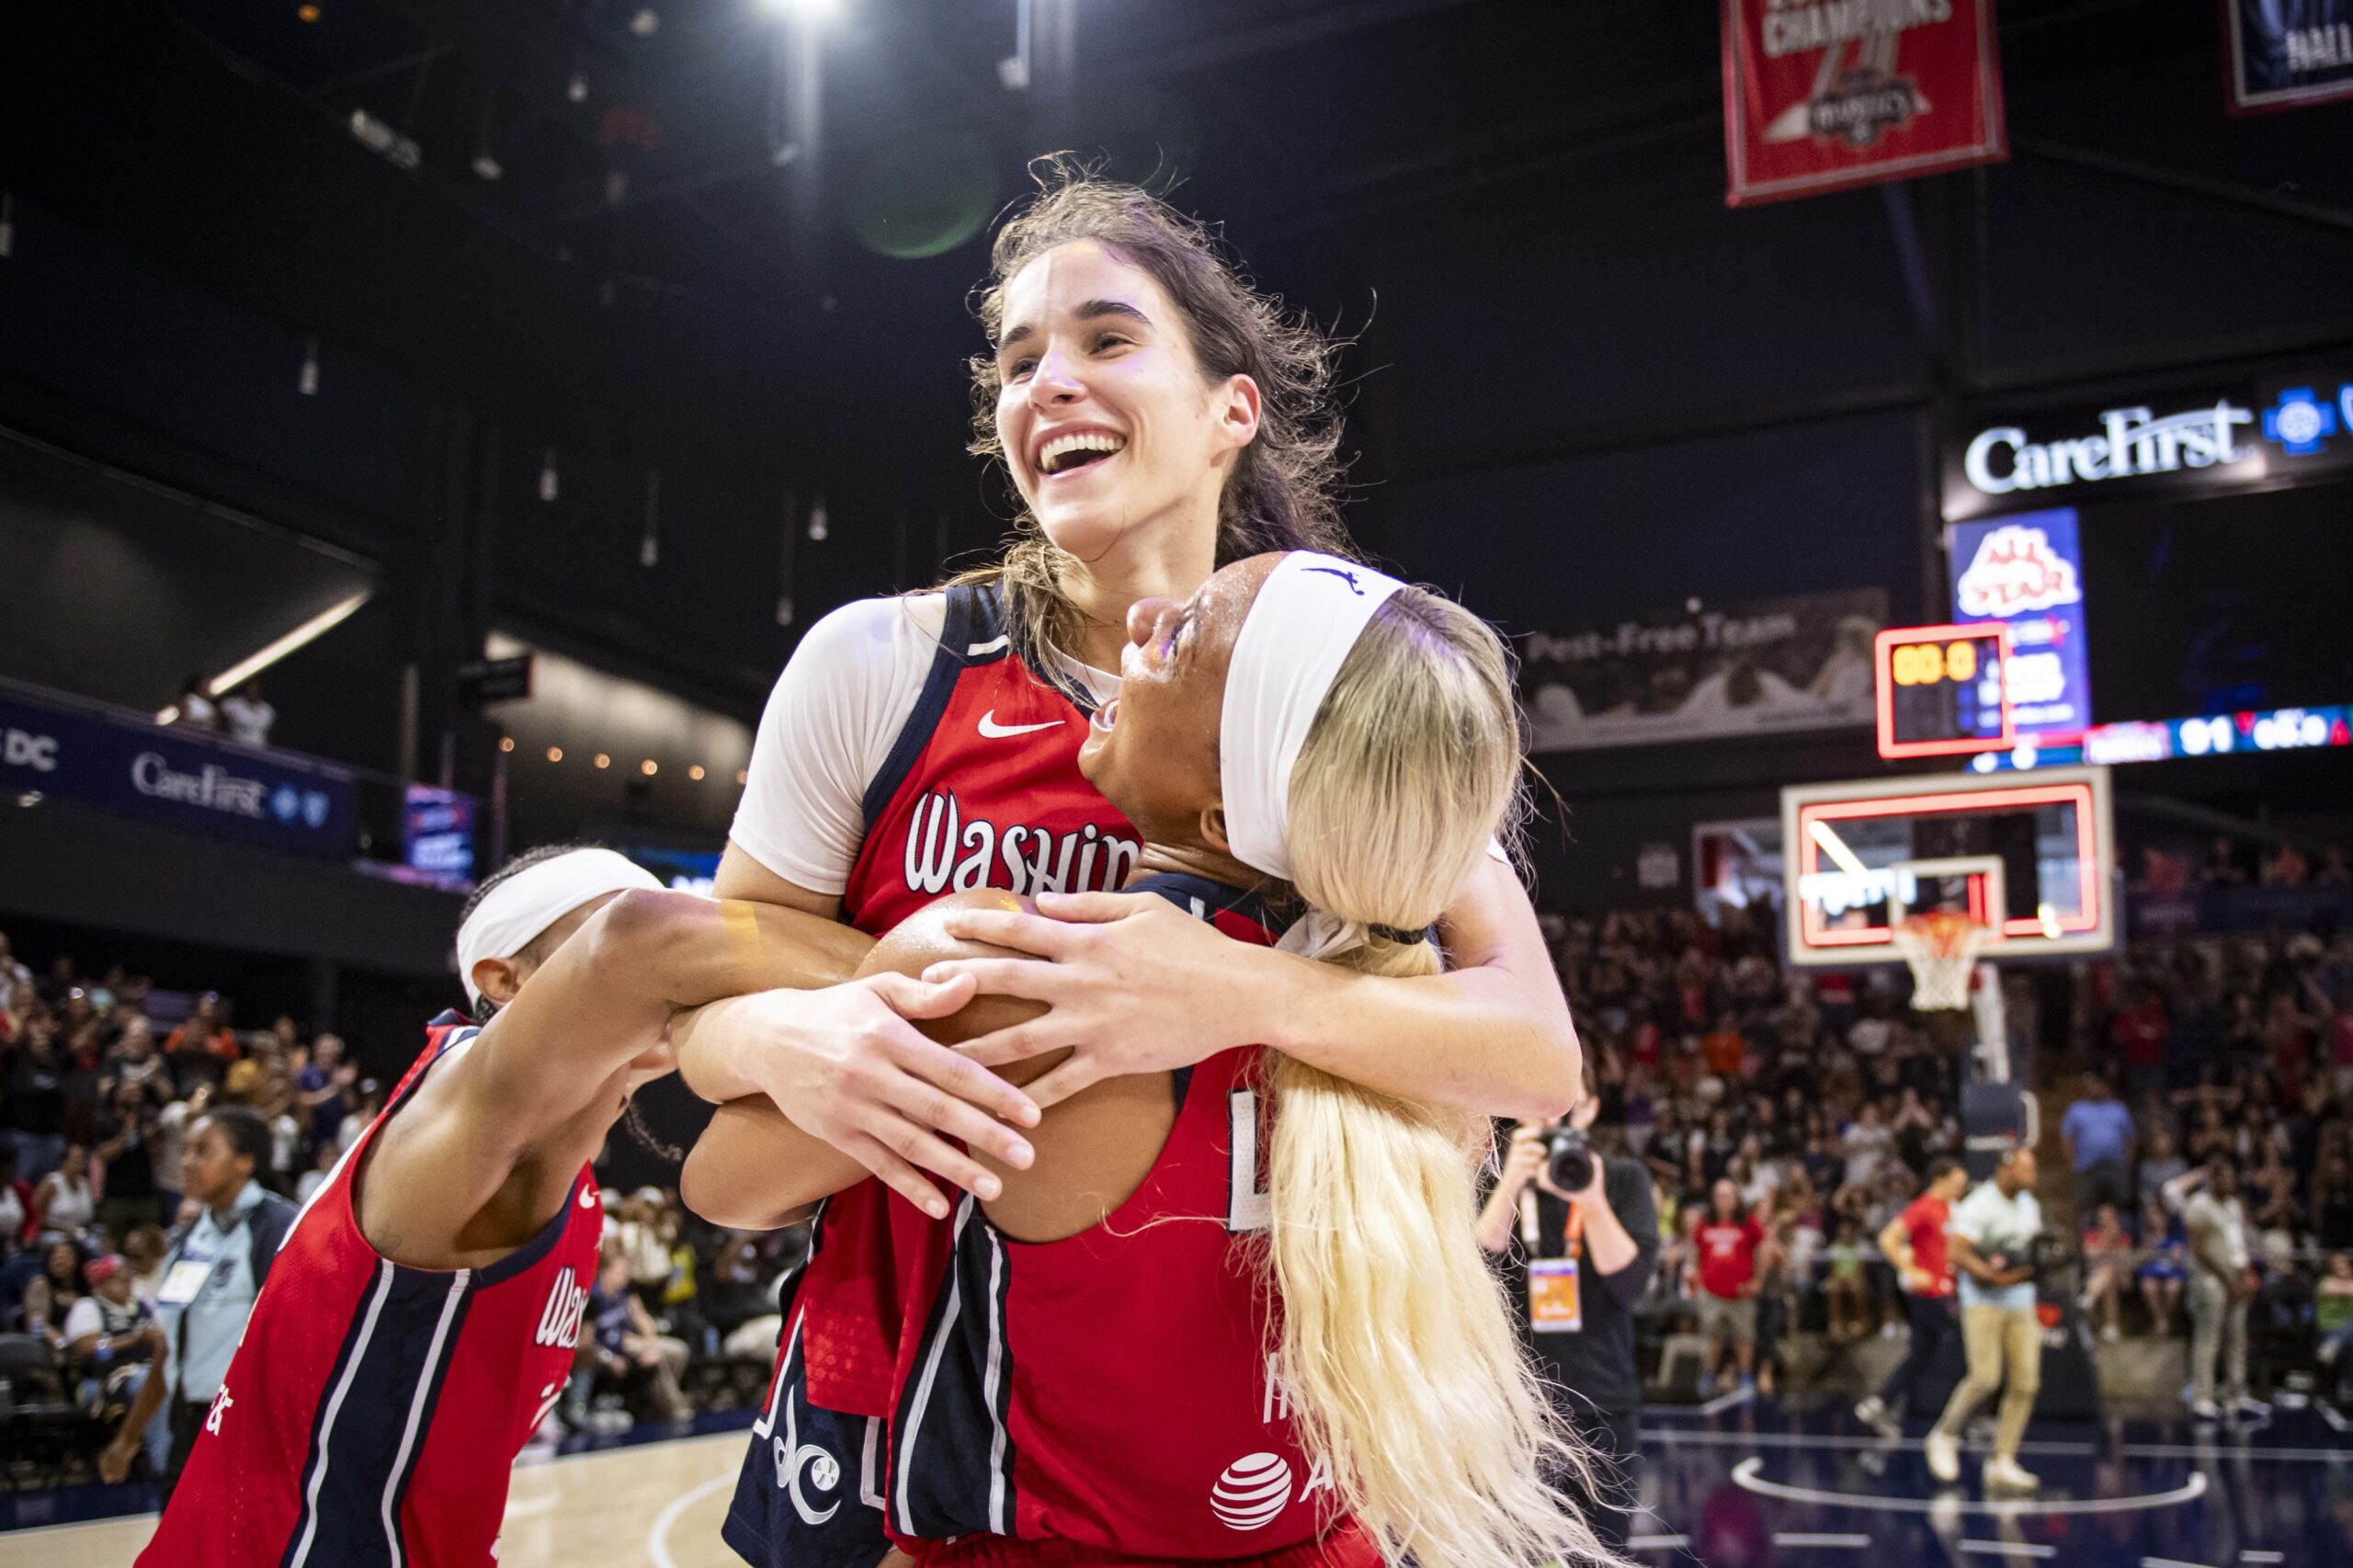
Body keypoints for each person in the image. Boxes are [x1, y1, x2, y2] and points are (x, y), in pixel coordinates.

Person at [675, 169, 1583, 1564]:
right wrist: (795, 1034)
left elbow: (1533, 1048)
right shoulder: (883, 662)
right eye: (1017, 359)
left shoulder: (1334, 679)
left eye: (1106, 339)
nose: (1049, 383)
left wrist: (1228, 992)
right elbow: (710, 991)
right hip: (920, 1409)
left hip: (1273, 1425)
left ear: (1235, 408)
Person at [682, 553, 1616, 1568]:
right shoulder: (1426, 1019)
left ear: (1221, 811)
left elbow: (721, 1182)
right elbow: (1543, 1054)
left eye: (1178, 640)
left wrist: (730, 1035)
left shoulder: (1014, 968)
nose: (1141, 623)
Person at [126, 844, 903, 1563]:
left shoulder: (575, 1182)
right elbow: (639, 944)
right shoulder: (461, 1098)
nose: (695, 952)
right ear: (505, 982)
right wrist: (939, 967)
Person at [1477, 1096, 1660, 1551]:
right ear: (1518, 1105)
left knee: (1604, 1551)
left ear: (1591, 1109)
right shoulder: (1493, 1179)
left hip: (1604, 1404)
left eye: (1565, 1097)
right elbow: (1472, 1275)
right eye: (1538, 1097)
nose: (1551, 1110)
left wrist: (1592, 1202)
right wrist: (1511, 1182)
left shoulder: (1620, 1179)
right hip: (1517, 1408)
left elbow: (1630, 1286)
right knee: (1513, 1554)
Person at [99, 1108, 295, 1494]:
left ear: (245, 1162)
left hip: (253, 1429)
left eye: (202, 1151)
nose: (187, 1162)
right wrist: (129, 1436)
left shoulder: (280, 1229)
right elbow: (169, 1347)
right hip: (187, 1427)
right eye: (186, 1151)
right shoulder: (188, 1240)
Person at [1925, 1149, 2044, 1491]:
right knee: (1985, 1377)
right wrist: (1989, 1274)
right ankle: (1944, 1435)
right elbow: (1956, 1251)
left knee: (2025, 1382)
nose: (2032, 1175)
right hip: (1983, 1302)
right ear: (2005, 1169)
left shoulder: (2028, 1205)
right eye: (2026, 1168)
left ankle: (2002, 1460)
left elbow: (2030, 1251)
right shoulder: (1979, 1204)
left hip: (2021, 1301)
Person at [1858, 1155, 1968, 1433]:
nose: (1960, 1189)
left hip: (1943, 1291)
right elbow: (1888, 1239)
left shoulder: (1950, 1208)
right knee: (1966, 1353)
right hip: (1933, 1295)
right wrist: (1910, 1269)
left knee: (1922, 1354)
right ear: (1940, 1181)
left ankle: (1879, 1402)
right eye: (1956, 1184)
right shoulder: (1924, 1207)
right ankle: (1966, 1419)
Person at [2179, 1157, 2267, 1423]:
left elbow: (2237, 1244)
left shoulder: (2233, 1206)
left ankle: (2236, 1395)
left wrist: (2246, 1277)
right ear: (2212, 1180)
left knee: (2237, 1338)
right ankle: (2203, 1398)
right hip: (2209, 1280)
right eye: (2224, 1178)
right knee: (2209, 1338)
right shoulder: (2198, 1206)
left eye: (2232, 1178)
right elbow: (2199, 1250)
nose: (2230, 1183)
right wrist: (2228, 1280)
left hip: (2234, 1278)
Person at [1692, 1178, 1764, 1396]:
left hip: (1741, 1292)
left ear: (1735, 1199)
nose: (1723, 1200)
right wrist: (1698, 1277)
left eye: (1727, 1196)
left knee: (1744, 1335)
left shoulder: (1748, 1223)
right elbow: (1696, 1252)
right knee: (1711, 1335)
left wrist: (1757, 1279)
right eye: (1719, 1196)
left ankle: (1745, 1375)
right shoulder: (1705, 1222)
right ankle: (1708, 1374)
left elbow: (1760, 1252)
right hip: (1712, 1291)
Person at [2061, 1072, 2136, 1218]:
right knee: (2086, 1209)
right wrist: (2072, 1163)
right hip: (2086, 1167)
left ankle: (2120, 1239)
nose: (2096, 1088)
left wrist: (2127, 1163)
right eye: (2093, 1084)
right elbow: (2067, 1139)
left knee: (2120, 1207)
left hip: (2116, 1167)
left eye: (2100, 1084)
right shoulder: (2076, 1109)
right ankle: (2085, 1240)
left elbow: (2130, 1139)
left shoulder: (2118, 1108)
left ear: (2106, 1086)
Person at [219, 678, 275, 748]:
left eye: (255, 689)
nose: (253, 691)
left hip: (258, 748)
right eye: (251, 688)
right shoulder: (232, 704)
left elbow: (270, 733)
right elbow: (220, 719)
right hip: (235, 746)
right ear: (245, 689)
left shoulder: (267, 710)